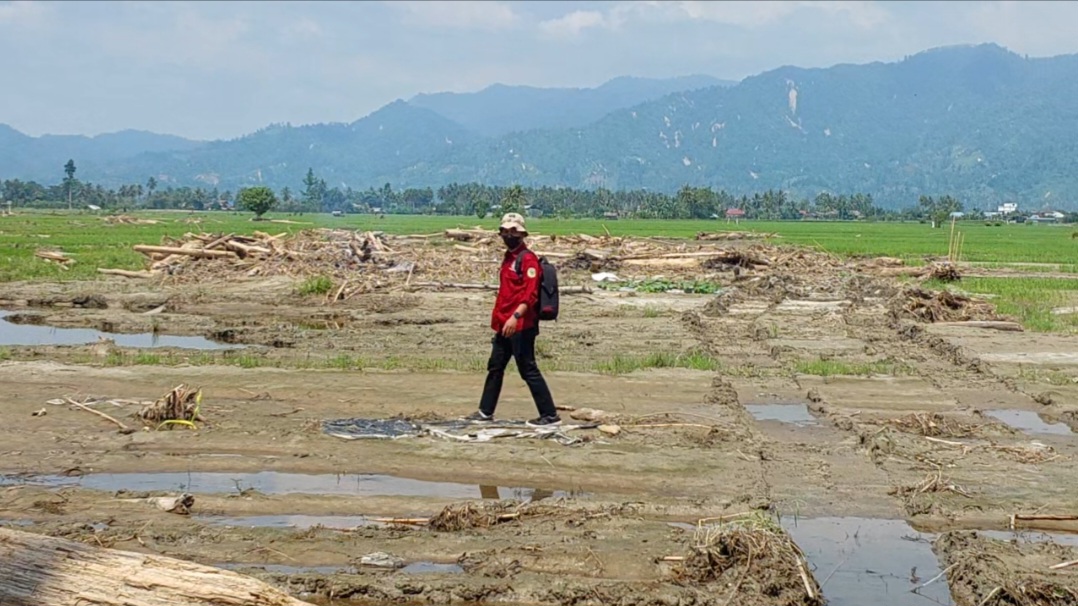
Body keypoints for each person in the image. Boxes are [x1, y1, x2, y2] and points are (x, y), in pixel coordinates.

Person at [465, 212, 561, 427]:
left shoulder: (527, 260)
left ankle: (550, 415)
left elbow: (530, 294)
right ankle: (484, 412)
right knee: (495, 367)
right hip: (503, 324)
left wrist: (515, 317)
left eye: (513, 232)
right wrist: (503, 320)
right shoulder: (508, 258)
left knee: (528, 369)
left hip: (520, 324)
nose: (509, 235)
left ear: (522, 234)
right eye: (505, 231)